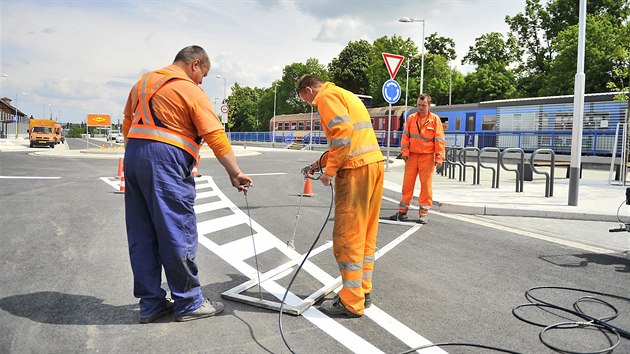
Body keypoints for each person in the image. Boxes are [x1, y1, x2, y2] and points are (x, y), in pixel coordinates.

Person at [122, 45, 252, 323]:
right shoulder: (188, 89)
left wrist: (138, 155)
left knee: (142, 234)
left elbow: (127, 124)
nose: (201, 81)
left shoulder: (141, 84)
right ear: (195, 64)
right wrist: (235, 172)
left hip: (134, 158)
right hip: (164, 160)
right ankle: (189, 302)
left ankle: (151, 304)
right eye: (202, 75)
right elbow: (215, 134)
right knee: (176, 230)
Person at [296, 75, 384, 318]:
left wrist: (330, 171)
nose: (308, 104)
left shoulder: (325, 97)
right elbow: (344, 142)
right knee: (366, 233)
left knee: (348, 235)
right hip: (373, 165)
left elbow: (342, 135)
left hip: (355, 170)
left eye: (304, 98)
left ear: (308, 90)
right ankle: (363, 291)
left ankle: (350, 302)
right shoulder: (344, 94)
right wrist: (318, 164)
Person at [389, 93, 445, 224]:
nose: (420, 108)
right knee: (407, 185)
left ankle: (423, 213)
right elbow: (405, 137)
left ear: (429, 105)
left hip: (427, 157)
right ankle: (402, 212)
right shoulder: (411, 119)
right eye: (419, 105)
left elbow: (439, 140)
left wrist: (439, 158)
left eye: (423, 105)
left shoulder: (435, 120)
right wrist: (404, 152)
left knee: (426, 186)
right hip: (412, 157)